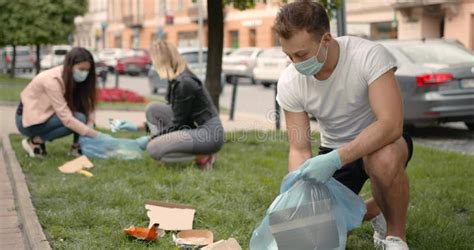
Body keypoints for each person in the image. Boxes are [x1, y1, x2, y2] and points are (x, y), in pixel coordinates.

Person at [274, 1, 413, 249]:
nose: (295, 63)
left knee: (381, 158)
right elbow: (299, 148)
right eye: (288, 55)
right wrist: (297, 188)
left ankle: (394, 236)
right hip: (333, 149)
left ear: (326, 39)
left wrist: (336, 159)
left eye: (301, 54)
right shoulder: (289, 81)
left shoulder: (368, 56)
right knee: (316, 237)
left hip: (382, 143)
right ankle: (377, 208)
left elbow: (391, 124)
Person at [112, 40, 224, 170]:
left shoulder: (184, 83)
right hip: (194, 128)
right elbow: (176, 117)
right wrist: (138, 127)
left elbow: (178, 125)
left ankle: (203, 156)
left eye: (153, 60)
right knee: (153, 109)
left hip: (209, 135)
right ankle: (169, 151)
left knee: (153, 149)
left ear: (161, 60)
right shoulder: (175, 79)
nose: (152, 63)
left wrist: (150, 139)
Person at [16, 47, 101, 157]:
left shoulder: (75, 78)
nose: (84, 73)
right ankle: (34, 142)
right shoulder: (52, 80)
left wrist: (91, 122)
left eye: (87, 70)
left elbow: (87, 103)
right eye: (81, 69)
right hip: (27, 121)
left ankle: (77, 147)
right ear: (70, 66)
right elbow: (66, 119)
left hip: (47, 115)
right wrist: (96, 135)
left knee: (81, 115)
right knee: (77, 119)